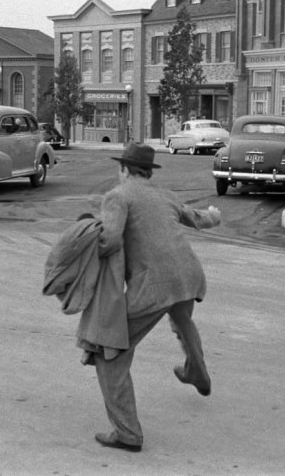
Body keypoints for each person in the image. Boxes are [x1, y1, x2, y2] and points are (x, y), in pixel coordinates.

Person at [90, 143, 221, 452]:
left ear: (123, 169)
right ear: (148, 172)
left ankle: (127, 432)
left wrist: (81, 248)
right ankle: (197, 373)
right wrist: (214, 216)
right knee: (181, 318)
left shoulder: (116, 196)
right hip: (188, 273)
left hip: (154, 284)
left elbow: (108, 240)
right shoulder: (165, 194)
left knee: (110, 351)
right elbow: (198, 218)